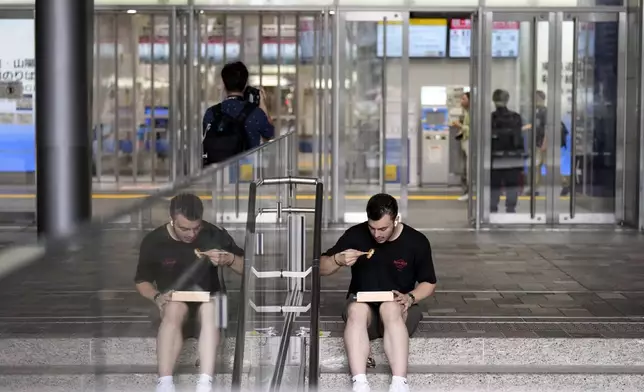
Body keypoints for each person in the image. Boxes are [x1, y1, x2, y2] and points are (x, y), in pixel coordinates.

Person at [320, 194, 437, 392]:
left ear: (396, 219)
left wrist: (410, 297)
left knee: (390, 307)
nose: (377, 235)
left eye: (383, 228)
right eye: (372, 228)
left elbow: (429, 283)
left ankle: (400, 383)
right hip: (364, 311)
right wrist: (338, 260)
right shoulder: (355, 235)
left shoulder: (416, 241)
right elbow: (321, 267)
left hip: (400, 311)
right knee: (356, 310)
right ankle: (360, 383)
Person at [134, 193, 245, 392]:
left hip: (208, 301)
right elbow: (142, 281)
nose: (191, 235)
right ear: (172, 220)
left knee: (210, 308)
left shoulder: (213, 234)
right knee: (174, 308)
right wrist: (157, 297)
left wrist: (228, 260)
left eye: (196, 228)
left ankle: (205, 383)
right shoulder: (154, 241)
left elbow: (247, 268)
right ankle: (165, 383)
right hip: (174, 303)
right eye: (184, 228)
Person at [202, 61, 274, 164]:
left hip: (217, 174)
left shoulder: (211, 113)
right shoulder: (255, 113)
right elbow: (270, 136)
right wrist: (263, 105)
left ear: (223, 84)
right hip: (247, 174)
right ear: (245, 85)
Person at [490, 89, 524, 213]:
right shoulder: (516, 117)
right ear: (507, 100)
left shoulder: (491, 118)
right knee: (511, 184)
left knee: (494, 184)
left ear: (493, 101)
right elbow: (518, 138)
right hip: (512, 156)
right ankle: (511, 207)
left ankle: (493, 207)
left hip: (495, 157)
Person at [453, 92, 471, 201]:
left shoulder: (472, 113)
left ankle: (469, 193)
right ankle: (467, 192)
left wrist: (460, 126)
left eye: (464, 99)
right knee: (466, 168)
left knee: (469, 169)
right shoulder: (466, 112)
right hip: (465, 142)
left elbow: (471, 128)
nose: (461, 101)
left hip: (470, 143)